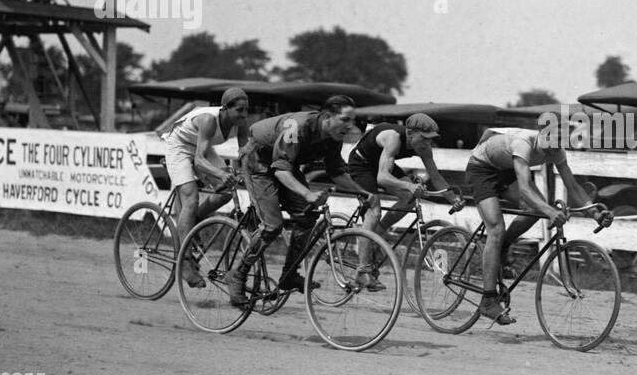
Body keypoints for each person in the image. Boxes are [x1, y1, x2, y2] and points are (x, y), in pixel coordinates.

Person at [229, 95, 372, 307]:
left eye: (352, 120)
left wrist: (362, 192)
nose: (349, 126)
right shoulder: (298, 126)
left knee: (306, 215)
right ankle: (238, 273)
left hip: (286, 166)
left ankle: (289, 275)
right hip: (258, 162)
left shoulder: (334, 136)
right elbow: (279, 170)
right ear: (326, 117)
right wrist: (307, 194)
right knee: (273, 226)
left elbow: (336, 172)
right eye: (345, 119)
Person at [464, 125, 602, 323]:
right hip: (482, 169)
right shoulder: (524, 143)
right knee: (496, 228)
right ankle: (488, 300)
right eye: (548, 149)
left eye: (555, 149)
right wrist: (550, 211)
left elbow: (572, 186)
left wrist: (595, 212)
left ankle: (504, 246)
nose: (551, 153)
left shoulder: (556, 149)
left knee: (536, 209)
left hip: (505, 169)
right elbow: (525, 190)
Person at [347, 111, 457, 286]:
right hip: (362, 164)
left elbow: (436, 177)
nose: (428, 143)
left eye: (431, 138)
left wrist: (453, 198)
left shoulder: (423, 146)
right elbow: (382, 177)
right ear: (410, 133)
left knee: (409, 199)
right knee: (373, 212)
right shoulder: (393, 138)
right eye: (424, 137)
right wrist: (409, 185)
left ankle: (378, 232)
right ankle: (362, 270)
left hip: (381, 162)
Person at [164, 87, 251, 286]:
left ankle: (193, 223)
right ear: (225, 108)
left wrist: (249, 175)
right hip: (180, 146)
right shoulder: (209, 120)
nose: (243, 115)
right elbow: (199, 161)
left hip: (200, 148)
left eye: (246, 110)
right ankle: (184, 261)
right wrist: (221, 173)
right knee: (191, 197)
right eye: (239, 110)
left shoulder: (241, 124)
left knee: (227, 193)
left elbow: (246, 155)